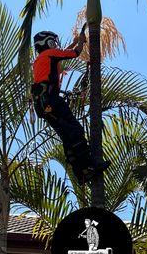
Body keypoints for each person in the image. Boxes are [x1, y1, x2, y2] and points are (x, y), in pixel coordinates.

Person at [31, 30, 110, 185]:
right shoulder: (51, 55)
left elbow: (60, 54)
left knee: (67, 137)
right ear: (49, 43)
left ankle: (81, 172)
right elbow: (75, 53)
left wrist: (74, 41)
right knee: (75, 132)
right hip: (52, 101)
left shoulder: (41, 59)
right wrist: (80, 42)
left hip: (43, 105)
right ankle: (90, 165)